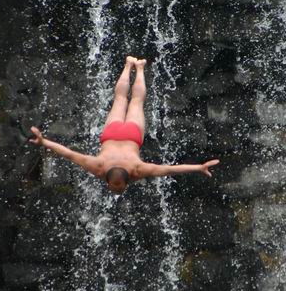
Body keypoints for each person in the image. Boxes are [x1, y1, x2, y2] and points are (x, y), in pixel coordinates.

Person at [30, 56, 220, 194]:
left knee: (135, 100)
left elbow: (169, 169)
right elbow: (68, 153)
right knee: (121, 99)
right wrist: (43, 141)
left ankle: (138, 67)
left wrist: (199, 167)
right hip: (111, 134)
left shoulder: (136, 169)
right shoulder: (99, 167)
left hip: (131, 135)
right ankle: (131, 64)